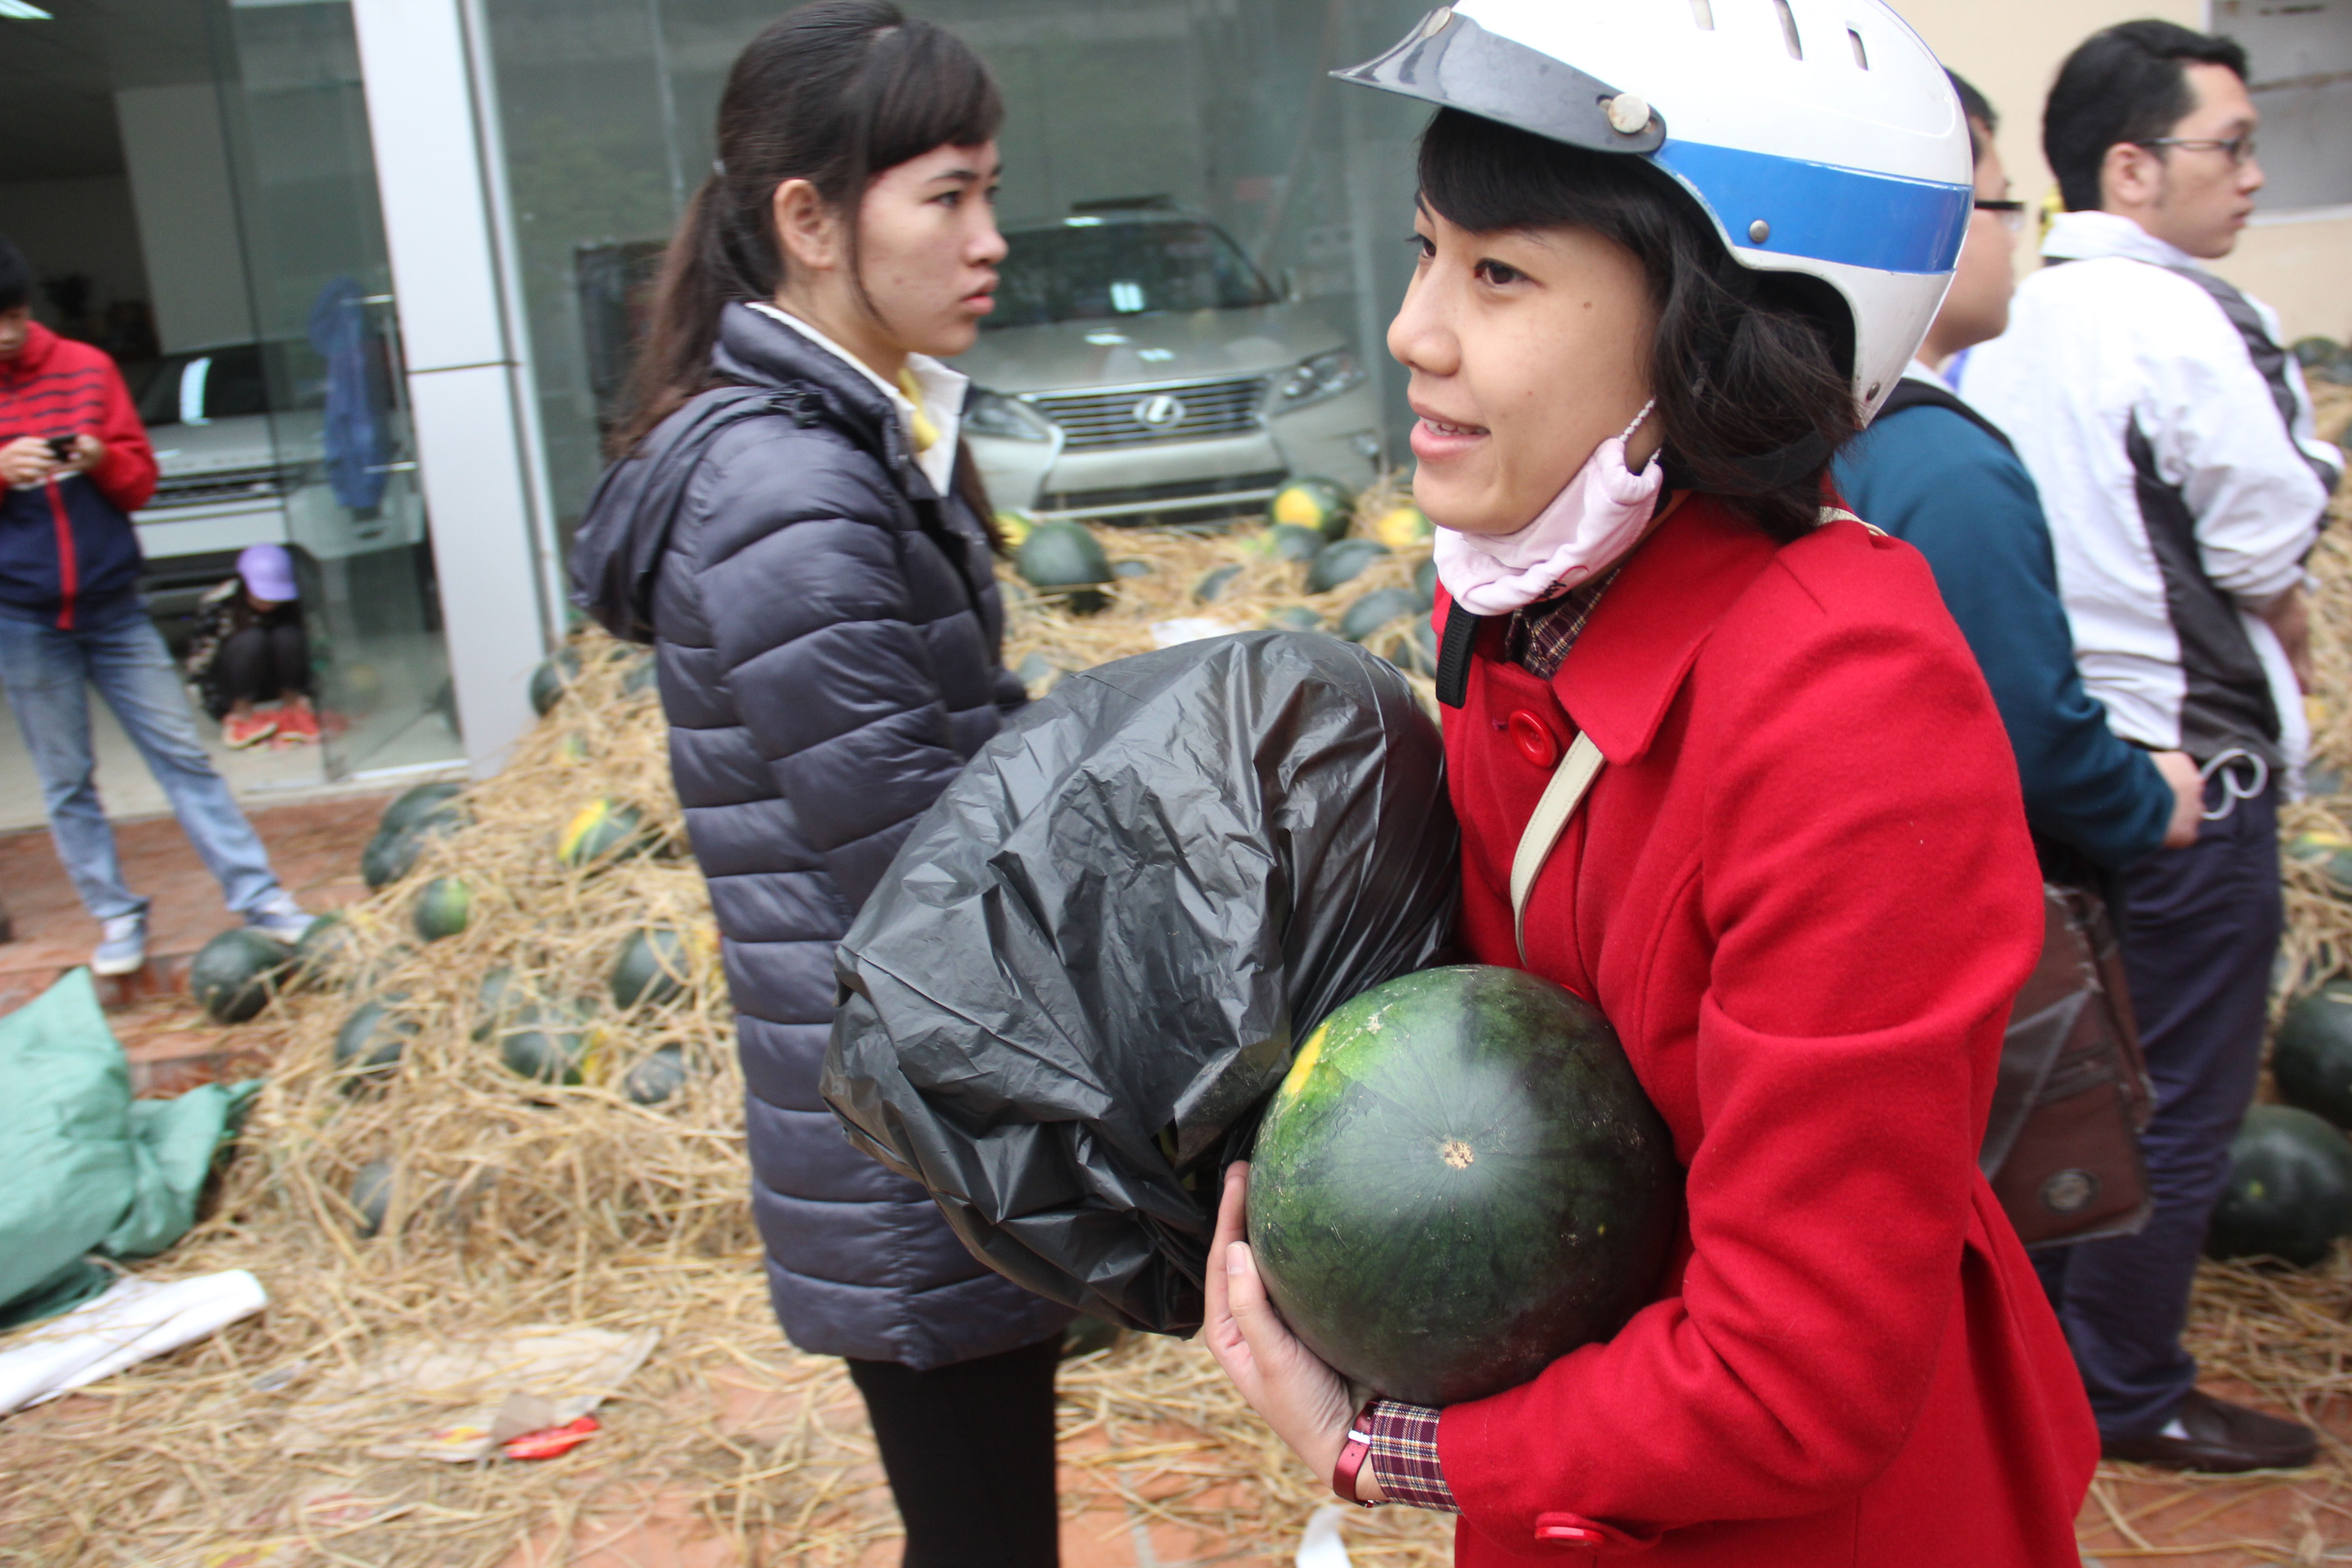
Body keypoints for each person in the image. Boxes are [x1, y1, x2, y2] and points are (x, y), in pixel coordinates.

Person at [1204, 3, 2097, 1563]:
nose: (1417, 328)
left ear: (1714, 323)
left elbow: (1793, 1378)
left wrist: (1380, 1443)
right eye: (1426, 249)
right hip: (1589, 1472)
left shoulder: (1845, 702)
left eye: (1499, 272)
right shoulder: (1516, 599)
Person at [568, 7, 1070, 1565]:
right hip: (915, 1134)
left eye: (991, 190)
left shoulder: (840, 443)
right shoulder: (789, 486)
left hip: (912, 1116)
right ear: (806, 220)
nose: (989, 239)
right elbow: (924, 867)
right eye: (947, 194)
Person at [1961, 20, 2342, 1473]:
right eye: (2228, 147)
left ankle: (2051, 1372)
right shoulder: (2186, 317)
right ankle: (2126, 1391)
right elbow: (2268, 531)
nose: (2252, 176)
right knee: (2180, 1103)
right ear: (2132, 167)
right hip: (2190, 784)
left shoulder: (2010, 323)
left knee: (2069, 1086)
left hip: (2057, 780)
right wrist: (2293, 611)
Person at [1835, 73, 2203, 872]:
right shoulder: (1940, 464)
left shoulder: (1801, 424)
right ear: (1922, 219)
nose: (2016, 239)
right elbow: (2027, 732)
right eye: (2002, 209)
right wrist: (2147, 800)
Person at [0, 232, 315, 975]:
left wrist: (101, 457)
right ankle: (115, 916)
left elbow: (139, 484)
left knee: (182, 756)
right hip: (23, 619)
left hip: (114, 610)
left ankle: (262, 897)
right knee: (66, 778)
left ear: (22, 308)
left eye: (8, 318)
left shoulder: (87, 368)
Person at [186, 544, 319, 749]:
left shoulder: (297, 601)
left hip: (280, 683)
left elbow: (320, 650)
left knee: (288, 635)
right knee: (252, 639)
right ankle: (243, 717)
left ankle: (293, 711)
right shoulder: (218, 604)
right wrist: (220, 713)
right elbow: (198, 668)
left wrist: (315, 695)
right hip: (233, 684)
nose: (269, 603)